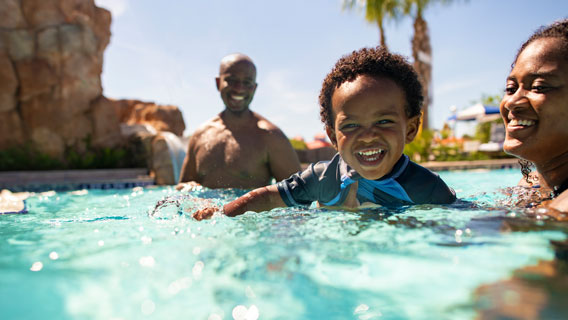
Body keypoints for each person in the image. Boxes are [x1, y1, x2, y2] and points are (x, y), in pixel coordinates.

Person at [192, 47, 456, 220]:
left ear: (410, 129)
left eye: (383, 121)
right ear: (332, 135)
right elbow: (268, 196)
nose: (367, 135)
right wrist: (220, 215)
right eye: (351, 125)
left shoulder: (427, 188)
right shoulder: (321, 177)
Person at [178, 53, 301, 189]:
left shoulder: (270, 137)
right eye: (232, 80)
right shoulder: (200, 135)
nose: (239, 88)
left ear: (254, 88)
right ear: (218, 83)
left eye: (247, 82)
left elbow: (300, 196)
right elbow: (181, 190)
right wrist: (187, 189)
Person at [499, 19, 568, 216]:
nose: (512, 102)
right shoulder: (532, 187)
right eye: (511, 89)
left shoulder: (563, 211)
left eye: (539, 87)